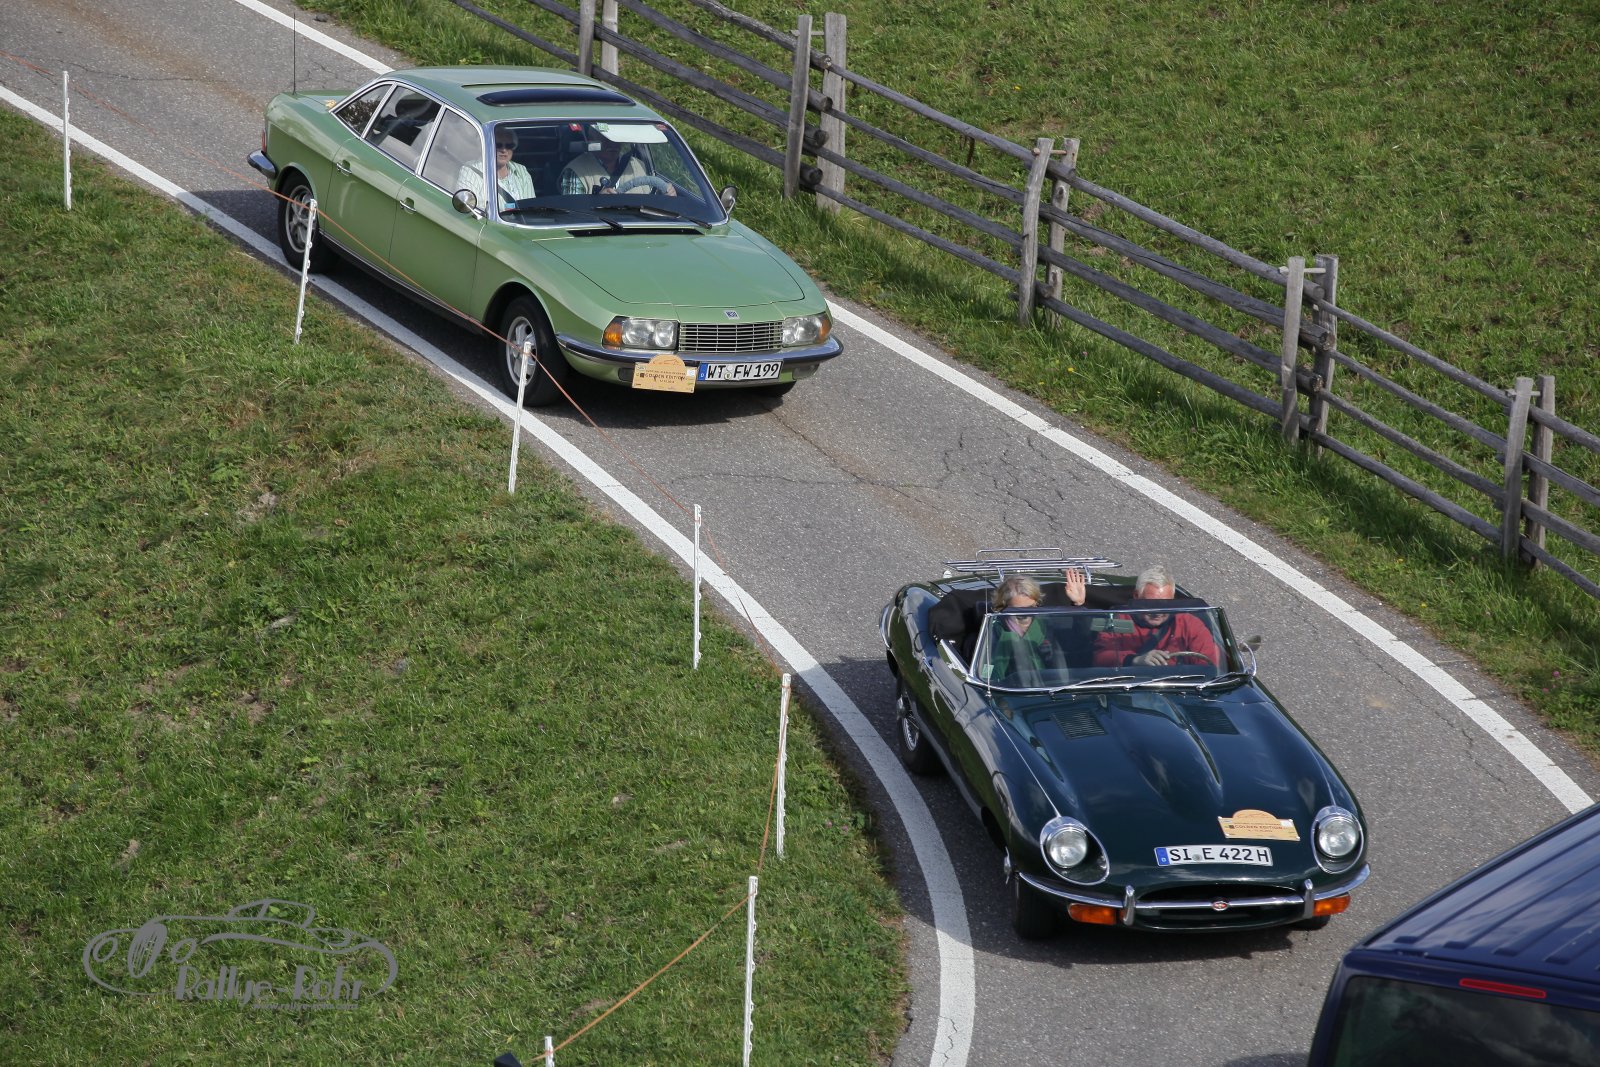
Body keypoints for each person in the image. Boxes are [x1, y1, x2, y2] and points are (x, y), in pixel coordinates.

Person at [1092, 563, 1219, 667]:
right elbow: (1100, 658)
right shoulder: (1117, 620)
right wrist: (1135, 660)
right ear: (1136, 596)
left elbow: (1210, 664)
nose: (1158, 612)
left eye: (1164, 604)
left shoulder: (1189, 624)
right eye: (1151, 604)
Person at [984, 576, 1065, 684]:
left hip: (1050, 687)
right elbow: (985, 672)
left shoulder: (1046, 625)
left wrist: (1078, 605)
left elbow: (1074, 651)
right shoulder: (993, 630)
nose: (1026, 614)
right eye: (1019, 610)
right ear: (1003, 607)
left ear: (1037, 604)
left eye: (1031, 608)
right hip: (1008, 689)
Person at [558, 129, 673, 196]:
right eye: (605, 139)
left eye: (616, 139)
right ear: (592, 140)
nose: (612, 144)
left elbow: (652, 200)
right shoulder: (576, 171)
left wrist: (666, 193)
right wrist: (597, 201)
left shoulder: (637, 165)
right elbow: (573, 214)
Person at [458, 127, 535, 210]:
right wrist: (507, 209)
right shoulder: (470, 170)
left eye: (509, 146)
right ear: (486, 146)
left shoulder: (521, 171)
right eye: (498, 145)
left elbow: (530, 208)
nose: (504, 150)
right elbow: (468, 208)